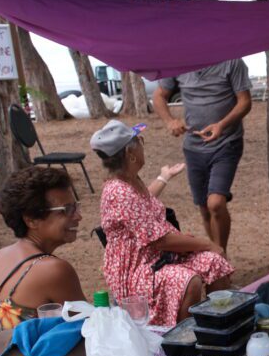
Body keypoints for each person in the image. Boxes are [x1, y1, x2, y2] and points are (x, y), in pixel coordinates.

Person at [92, 120, 234, 327]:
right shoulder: (119, 191)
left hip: (157, 257)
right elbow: (159, 241)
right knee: (187, 280)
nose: (143, 144)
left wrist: (163, 177)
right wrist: (207, 243)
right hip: (137, 268)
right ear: (130, 155)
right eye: (139, 141)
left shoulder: (130, 180)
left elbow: (143, 202)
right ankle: (183, 338)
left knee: (214, 263)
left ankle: (219, 325)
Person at [152, 59, 252, 252]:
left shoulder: (232, 61)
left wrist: (221, 125)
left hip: (226, 143)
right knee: (205, 209)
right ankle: (217, 257)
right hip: (193, 147)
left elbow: (245, 102)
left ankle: (219, 256)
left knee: (215, 203)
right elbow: (159, 96)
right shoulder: (177, 61)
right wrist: (170, 121)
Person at [0, 167, 85, 336]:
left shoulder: (0, 255)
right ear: (31, 220)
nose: (78, 216)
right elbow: (91, 329)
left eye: (75, 207)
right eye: (67, 210)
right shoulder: (53, 270)